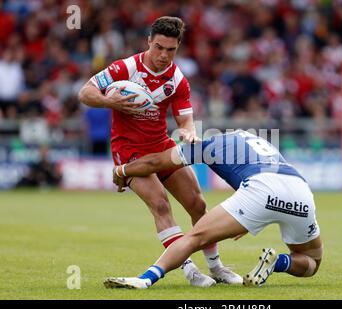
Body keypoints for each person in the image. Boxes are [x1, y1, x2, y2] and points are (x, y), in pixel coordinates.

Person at [78, 16, 241, 287]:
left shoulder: (177, 80)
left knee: (198, 205)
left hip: (161, 146)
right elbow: (85, 92)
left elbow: (185, 120)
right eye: (159, 48)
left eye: (171, 50)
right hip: (129, 150)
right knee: (160, 203)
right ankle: (188, 269)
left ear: (178, 48)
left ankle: (217, 267)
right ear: (149, 42)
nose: (164, 55)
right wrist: (109, 101)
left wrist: (188, 132)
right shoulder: (124, 68)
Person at [104, 130, 323, 289]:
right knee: (312, 262)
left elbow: (155, 164)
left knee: (194, 238)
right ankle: (280, 262)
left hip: (261, 189)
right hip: (300, 190)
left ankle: (146, 279)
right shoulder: (258, 142)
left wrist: (122, 170)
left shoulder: (208, 145)